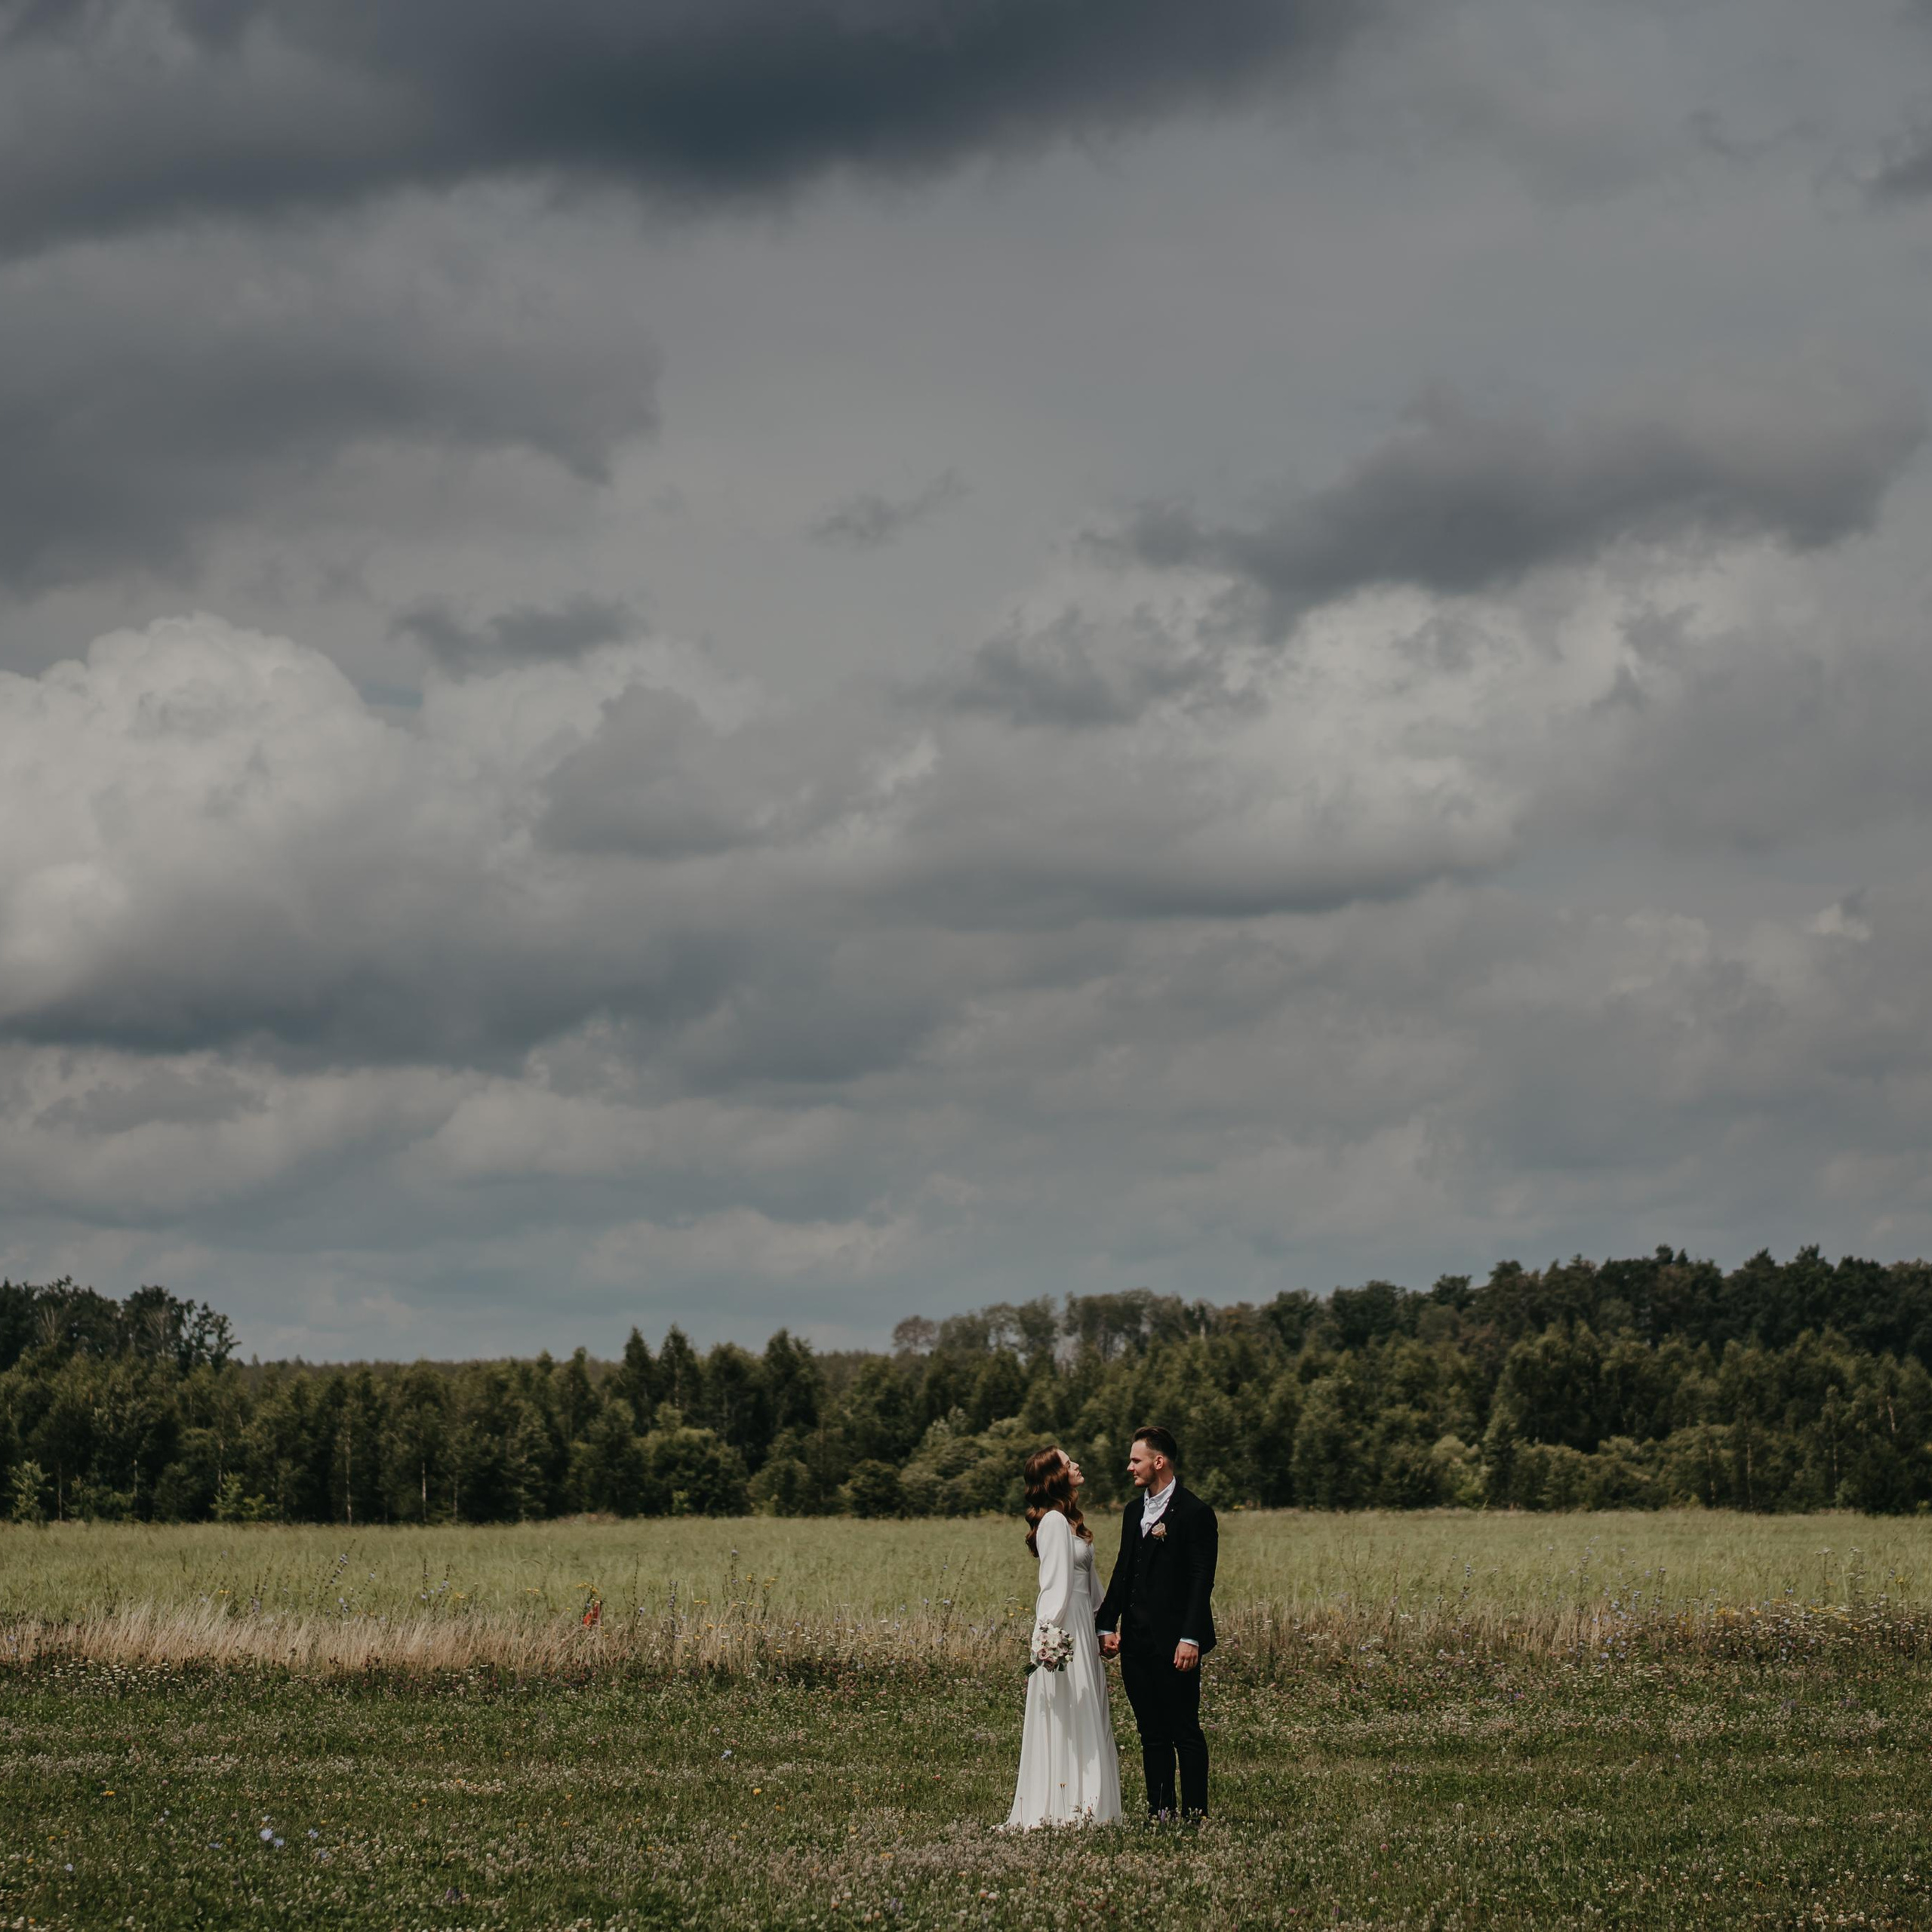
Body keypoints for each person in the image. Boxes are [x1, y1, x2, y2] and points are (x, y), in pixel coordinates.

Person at [1094, 1424, 1218, 1820]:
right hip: (1136, 1644)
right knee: (1151, 1733)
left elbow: (1202, 1580)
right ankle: (1159, 1811)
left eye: (1136, 1460)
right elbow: (1123, 1571)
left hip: (1176, 1644)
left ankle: (1195, 1813)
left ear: (1158, 1461)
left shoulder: (1196, 1512)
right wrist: (1104, 1624)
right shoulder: (1134, 1512)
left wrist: (1190, 1638)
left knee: (1185, 1730)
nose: (1130, 1467)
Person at [1004, 1445, 1124, 1829]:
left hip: (1084, 1628)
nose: (1076, 1464)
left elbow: (1092, 1583)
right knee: (1070, 1710)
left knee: (1089, 1709)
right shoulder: (1054, 1523)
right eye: (1069, 1462)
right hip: (1065, 1630)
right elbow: (1053, 1586)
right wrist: (1049, 1639)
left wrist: (1105, 1624)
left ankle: (1090, 1803)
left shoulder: (1072, 1522)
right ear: (1056, 1475)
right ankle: (1069, 1806)